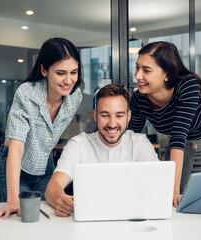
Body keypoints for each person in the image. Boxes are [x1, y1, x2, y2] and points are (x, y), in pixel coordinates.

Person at [0, 38, 83, 220]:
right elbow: (16, 146)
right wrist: (13, 200)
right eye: (61, 73)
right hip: (17, 168)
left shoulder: (74, 97)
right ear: (44, 70)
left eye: (74, 72)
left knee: (51, 218)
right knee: (21, 220)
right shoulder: (27, 94)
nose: (68, 80)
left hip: (45, 167)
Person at [128, 41, 201, 207]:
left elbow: (178, 135)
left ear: (166, 73)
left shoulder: (188, 86)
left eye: (146, 70)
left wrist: (173, 189)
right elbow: (132, 138)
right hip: (176, 154)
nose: (138, 75)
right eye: (137, 68)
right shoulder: (139, 99)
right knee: (174, 209)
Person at [44, 84, 159, 217]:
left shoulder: (140, 144)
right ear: (95, 115)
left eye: (119, 116)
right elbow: (53, 186)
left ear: (128, 116)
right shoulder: (79, 144)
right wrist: (60, 200)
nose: (112, 124)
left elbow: (157, 185)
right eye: (105, 115)